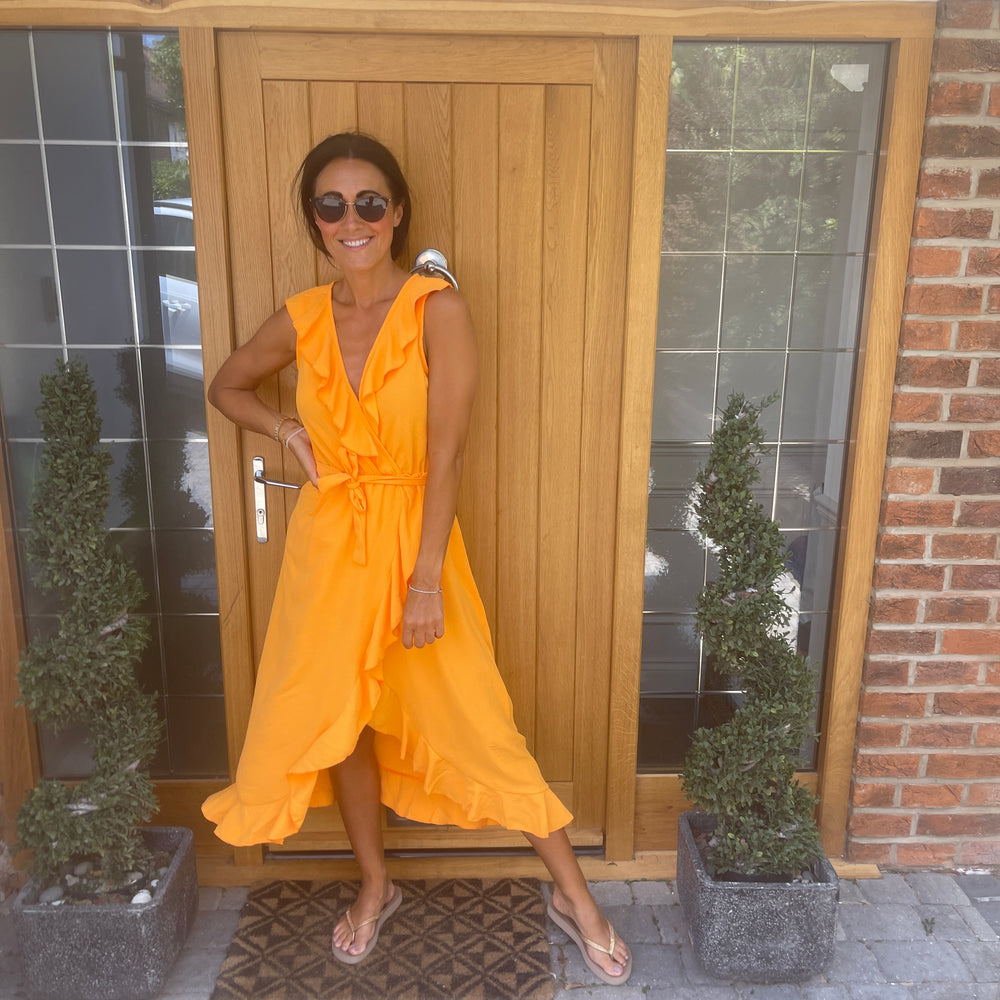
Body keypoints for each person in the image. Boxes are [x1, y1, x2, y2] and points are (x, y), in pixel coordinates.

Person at [201, 132, 631, 985]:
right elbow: (226, 385)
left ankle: (575, 897)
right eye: (331, 205)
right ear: (315, 219)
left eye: (369, 202)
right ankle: (375, 885)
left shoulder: (437, 309)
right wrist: (287, 430)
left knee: (476, 717)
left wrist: (426, 579)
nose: (351, 220)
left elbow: (449, 454)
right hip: (328, 549)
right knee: (343, 722)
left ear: (396, 212)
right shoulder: (303, 316)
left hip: (412, 545)